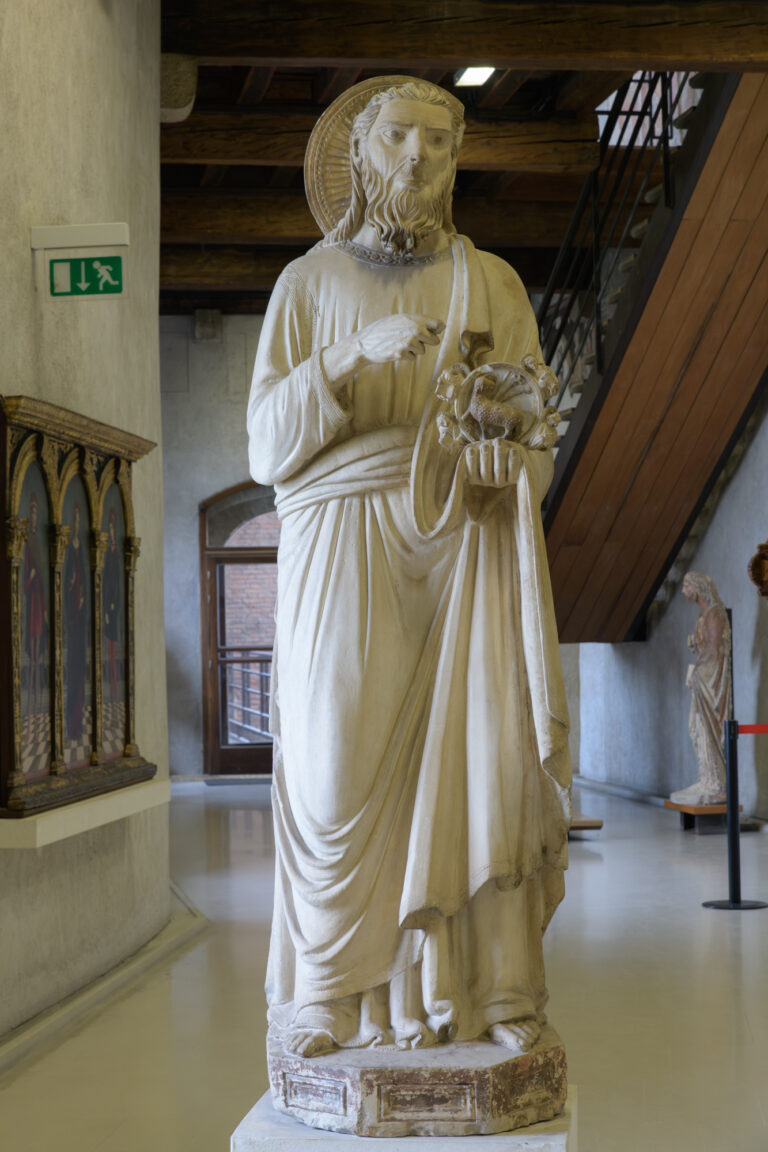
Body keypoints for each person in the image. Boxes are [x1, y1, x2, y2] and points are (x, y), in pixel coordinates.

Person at [247, 77, 570, 1062]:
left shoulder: (495, 283)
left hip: (466, 542)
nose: (419, 159)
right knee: (333, 759)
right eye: (398, 138)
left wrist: (504, 462)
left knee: (488, 758)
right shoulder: (308, 284)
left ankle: (488, 991)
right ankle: (327, 997)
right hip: (341, 541)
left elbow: (535, 426)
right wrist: (346, 363)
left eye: (441, 140)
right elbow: (265, 445)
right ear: (359, 150)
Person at [671, 572, 731, 806]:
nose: (684, 591)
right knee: (696, 729)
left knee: (708, 730)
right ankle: (706, 779)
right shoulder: (703, 615)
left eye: (686, 586)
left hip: (711, 685)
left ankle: (717, 785)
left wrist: (697, 671)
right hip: (701, 681)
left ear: (696, 588)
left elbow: (715, 650)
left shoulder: (715, 613)